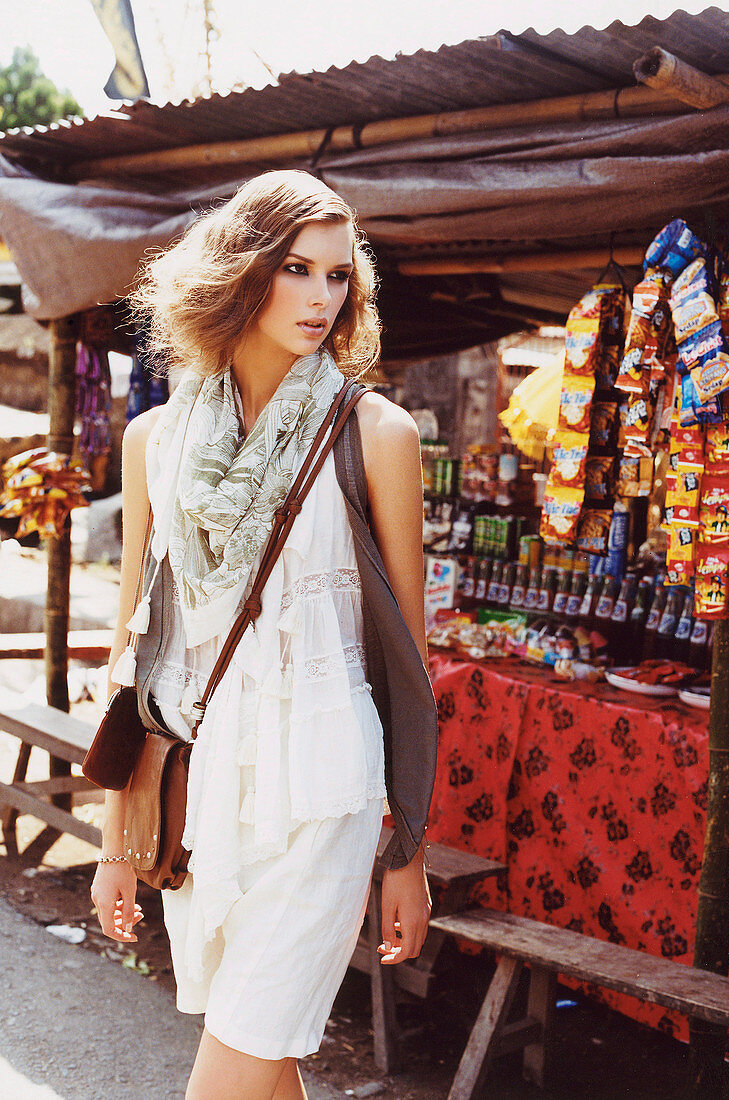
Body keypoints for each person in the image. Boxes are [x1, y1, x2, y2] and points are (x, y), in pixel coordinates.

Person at [90, 170, 437, 1099]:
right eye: (297, 269)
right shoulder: (156, 440)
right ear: (243, 273)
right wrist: (120, 837)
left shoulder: (376, 435)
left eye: (337, 276)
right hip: (205, 792)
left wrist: (409, 852)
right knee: (263, 1059)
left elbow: (408, 666)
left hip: (325, 789)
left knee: (233, 1065)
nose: (322, 298)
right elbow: (141, 652)